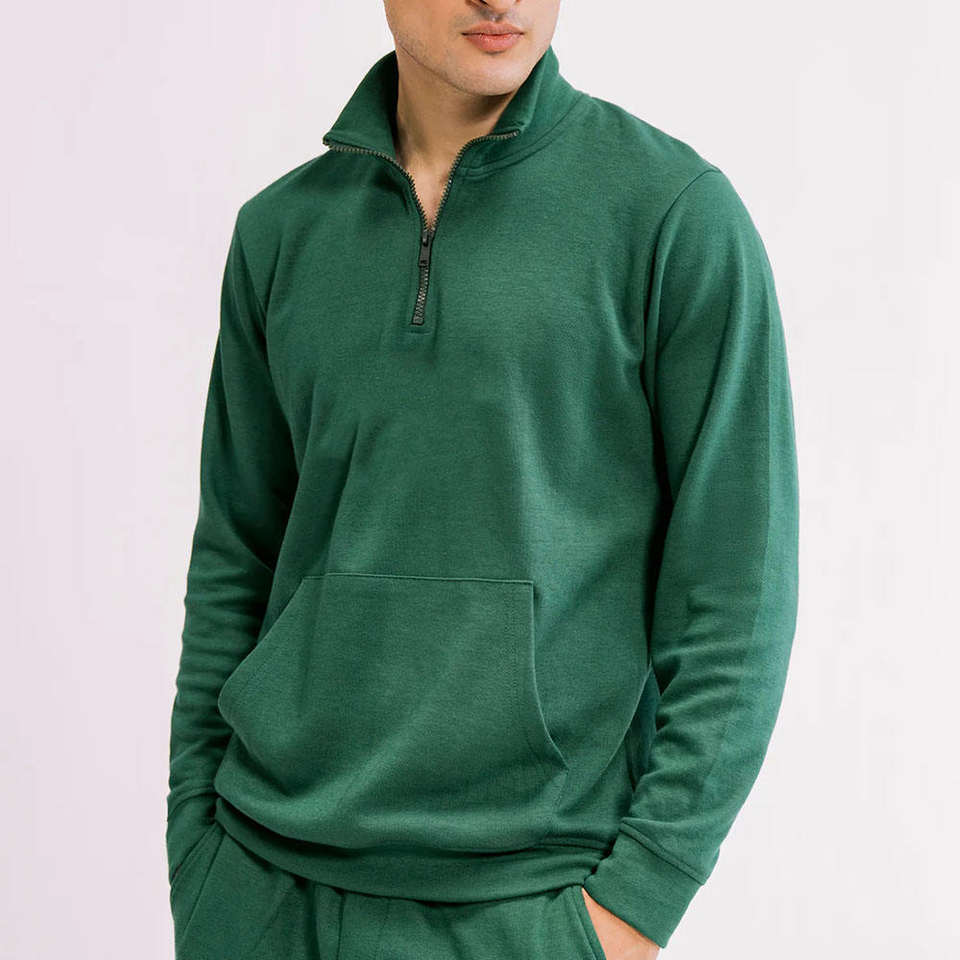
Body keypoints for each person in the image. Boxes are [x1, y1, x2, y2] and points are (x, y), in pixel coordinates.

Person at [165, 1, 800, 957]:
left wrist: (639, 900)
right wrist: (197, 852)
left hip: (527, 901)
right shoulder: (282, 231)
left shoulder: (672, 214)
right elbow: (235, 555)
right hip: (261, 884)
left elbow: (738, 586)